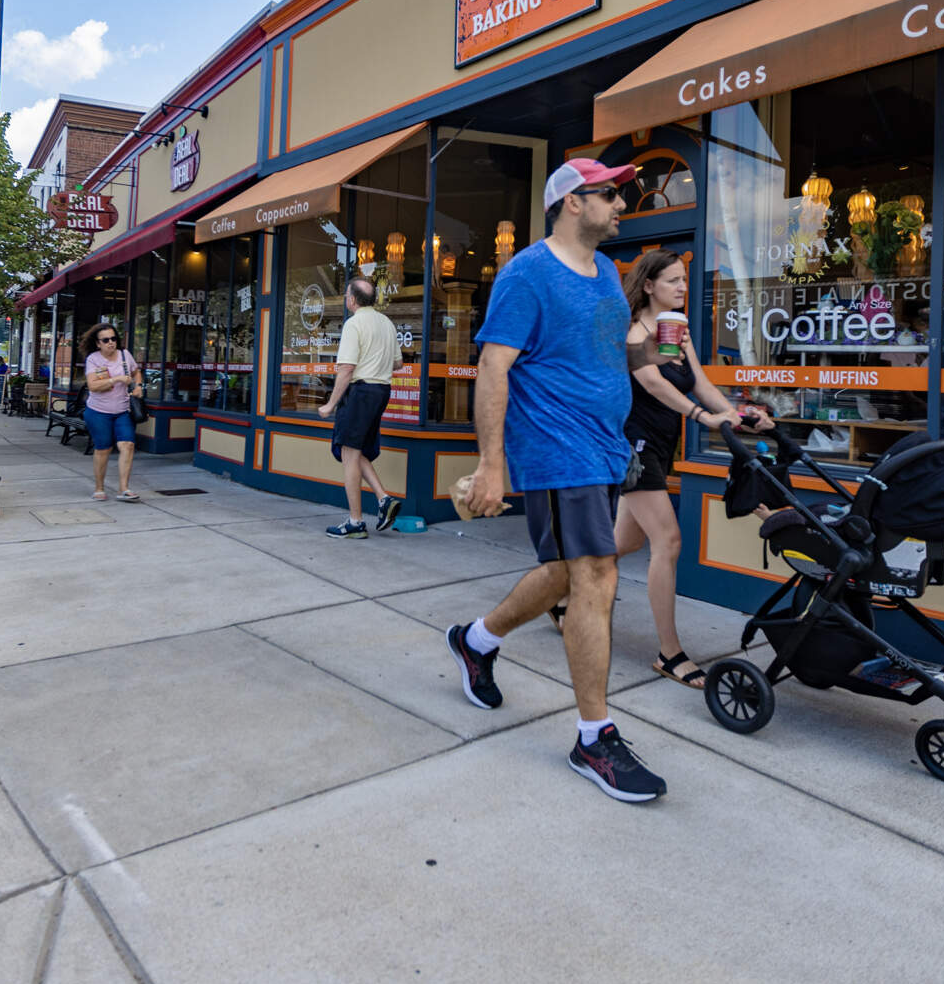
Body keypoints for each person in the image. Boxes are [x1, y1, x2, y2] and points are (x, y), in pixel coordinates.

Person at [444, 157, 669, 803]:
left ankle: (475, 640)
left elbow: (609, 352)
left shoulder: (605, 272)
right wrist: (493, 462)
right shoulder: (526, 274)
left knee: (567, 572)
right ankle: (593, 737)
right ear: (573, 202)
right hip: (555, 445)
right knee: (596, 574)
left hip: (605, 449)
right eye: (610, 194)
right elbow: (493, 366)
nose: (621, 203)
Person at [544, 250, 772, 688]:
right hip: (632, 446)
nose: (683, 288)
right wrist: (701, 417)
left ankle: (562, 594)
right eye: (672, 281)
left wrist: (737, 415)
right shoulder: (631, 332)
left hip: (661, 447)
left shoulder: (678, 333)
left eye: (684, 280)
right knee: (667, 541)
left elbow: (701, 384)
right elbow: (653, 382)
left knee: (621, 541)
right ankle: (670, 653)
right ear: (648, 286)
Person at [317, 276, 403, 538]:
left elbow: (346, 369)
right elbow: (397, 364)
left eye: (346, 295)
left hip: (360, 391)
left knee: (349, 456)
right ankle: (383, 499)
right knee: (352, 450)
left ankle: (355, 522)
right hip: (381, 391)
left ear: (353, 300)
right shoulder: (386, 323)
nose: (346, 299)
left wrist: (331, 404)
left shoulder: (354, 325)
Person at [81, 322, 140, 502]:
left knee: (127, 445)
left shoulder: (125, 355)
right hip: (98, 412)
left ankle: (124, 489)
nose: (111, 343)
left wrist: (138, 386)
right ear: (98, 343)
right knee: (103, 449)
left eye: (113, 338)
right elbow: (93, 385)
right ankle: (99, 488)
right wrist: (117, 379)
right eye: (105, 340)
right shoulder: (93, 359)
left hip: (122, 411)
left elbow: (137, 372)